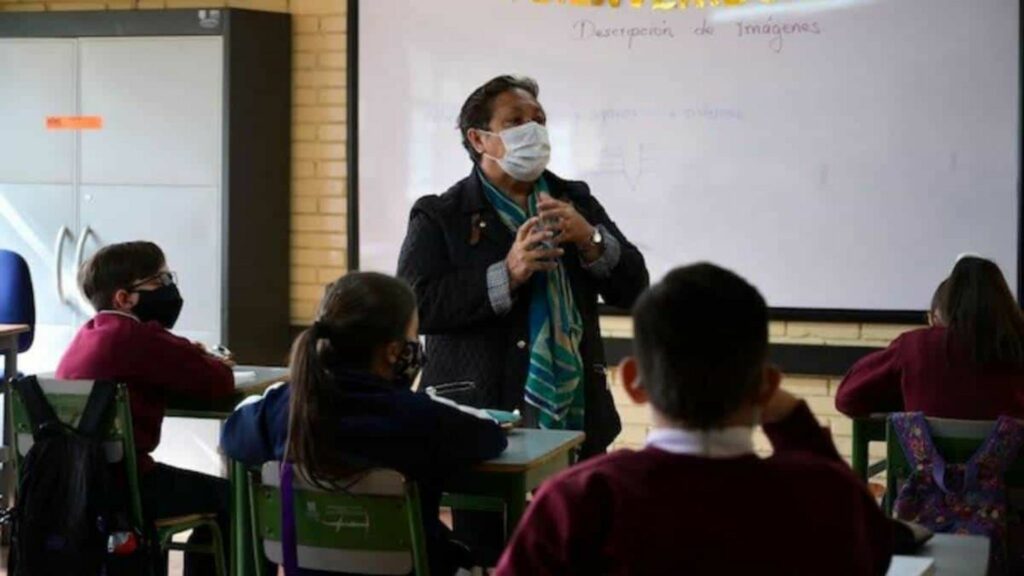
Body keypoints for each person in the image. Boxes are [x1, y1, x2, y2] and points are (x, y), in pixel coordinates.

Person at [495, 262, 895, 575]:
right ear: (768, 386)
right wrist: (795, 424)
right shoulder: (825, 494)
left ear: (634, 383)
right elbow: (875, 551)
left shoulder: (581, 498)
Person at [397, 74, 649, 456]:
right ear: (478, 139)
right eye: (515, 122)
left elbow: (635, 288)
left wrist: (589, 239)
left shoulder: (574, 200)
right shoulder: (441, 214)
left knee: (577, 516)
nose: (533, 131)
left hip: (580, 417)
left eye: (539, 120)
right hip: (477, 419)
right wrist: (507, 273)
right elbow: (417, 306)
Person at [220, 272, 508, 576]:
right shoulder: (423, 416)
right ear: (395, 351)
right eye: (414, 337)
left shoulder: (281, 410)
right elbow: (491, 436)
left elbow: (232, 434)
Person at [56, 241, 233, 576]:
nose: (169, 289)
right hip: (125, 488)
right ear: (124, 299)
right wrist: (200, 357)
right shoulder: (136, 337)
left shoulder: (88, 334)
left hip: (73, 486)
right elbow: (219, 381)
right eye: (159, 281)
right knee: (234, 499)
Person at [836, 256, 1024, 419]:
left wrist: (909, 399)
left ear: (943, 311)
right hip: (1010, 461)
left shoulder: (915, 346)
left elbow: (847, 398)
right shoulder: (1016, 346)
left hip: (924, 461)